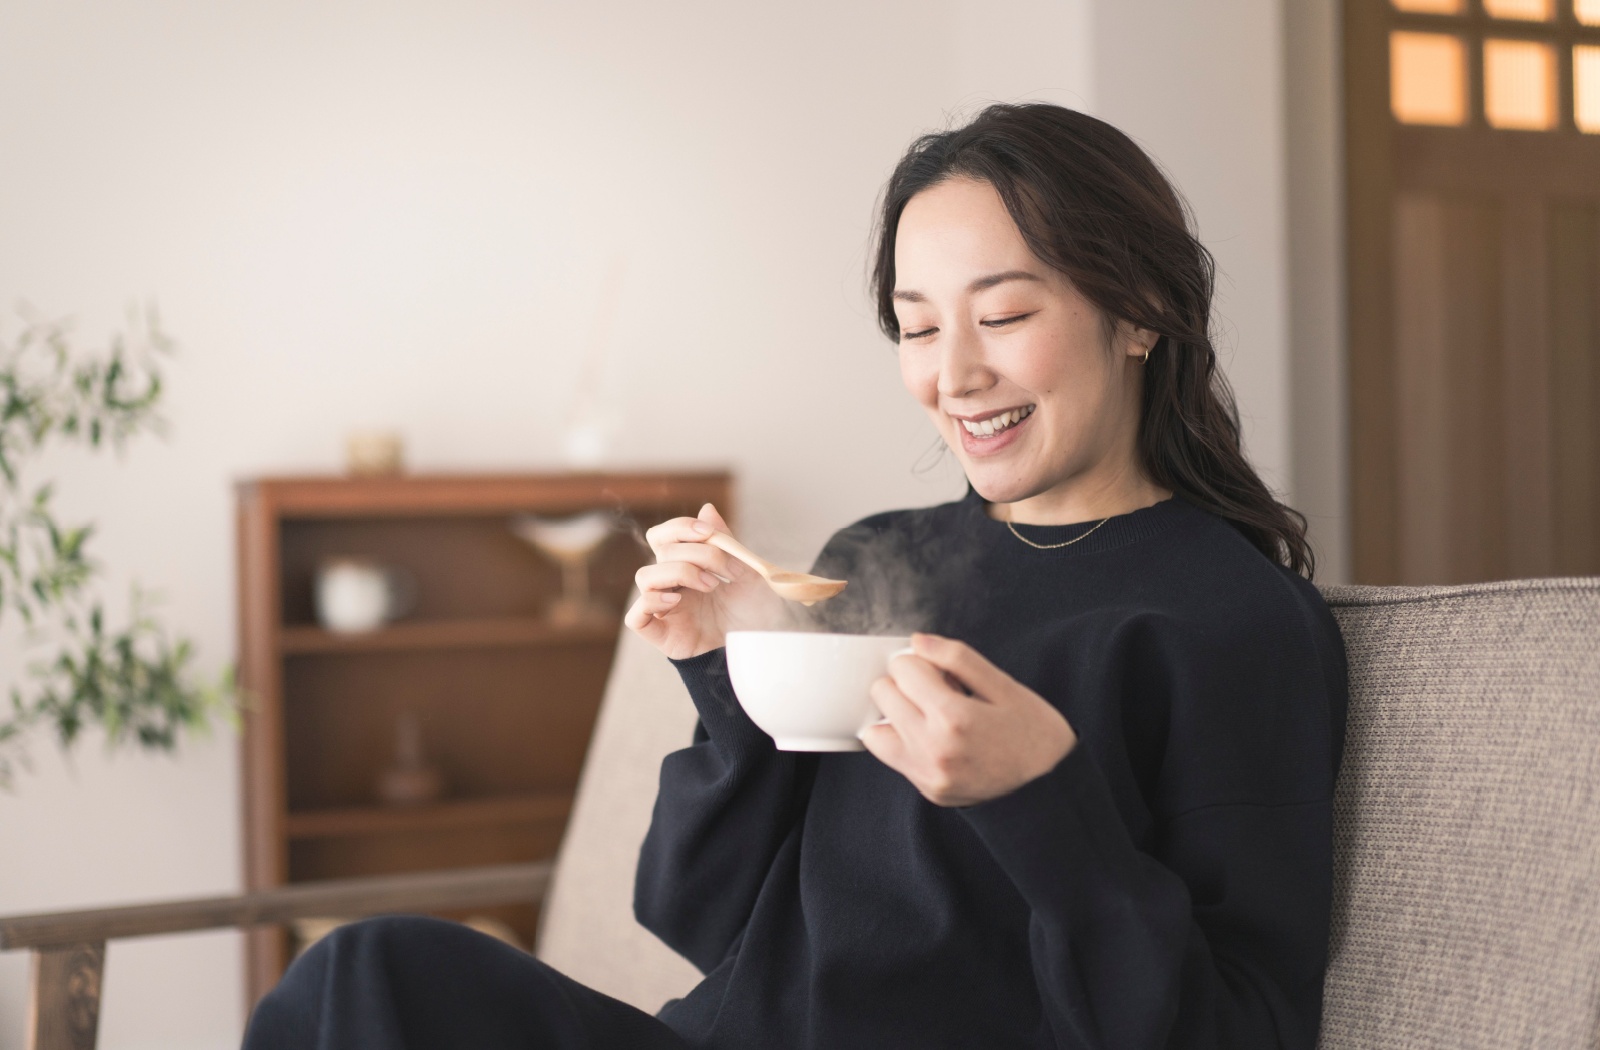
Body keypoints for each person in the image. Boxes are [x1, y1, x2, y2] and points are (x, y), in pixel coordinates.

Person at [243, 102, 1347, 1050]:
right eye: (916, 329)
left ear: (1140, 313)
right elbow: (696, 917)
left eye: (1004, 316)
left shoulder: (1229, 622)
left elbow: (1234, 1028)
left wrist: (1041, 801)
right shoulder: (877, 561)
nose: (953, 376)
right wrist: (734, 675)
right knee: (365, 980)